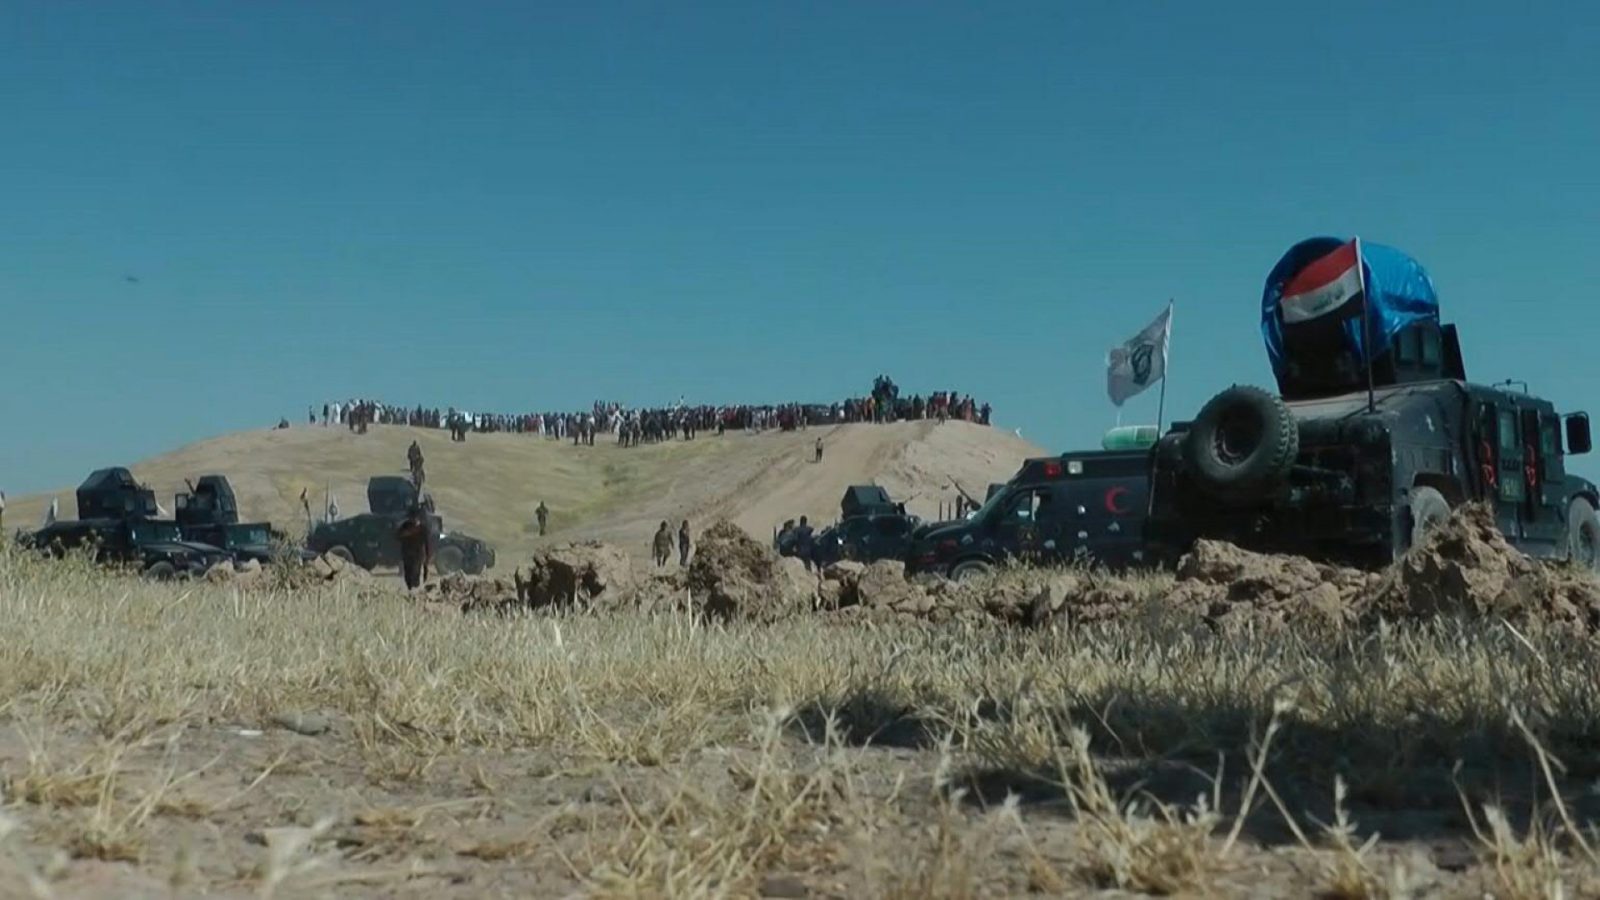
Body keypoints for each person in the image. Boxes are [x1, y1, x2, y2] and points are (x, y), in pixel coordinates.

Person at [395, 504, 431, 590]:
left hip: (418, 554)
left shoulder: (423, 528)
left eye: (416, 518)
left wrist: (427, 556)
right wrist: (408, 532)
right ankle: (410, 589)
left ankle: (414, 589)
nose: (414, 519)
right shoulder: (405, 526)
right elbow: (397, 536)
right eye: (412, 517)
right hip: (407, 553)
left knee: (415, 573)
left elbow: (427, 543)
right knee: (408, 574)